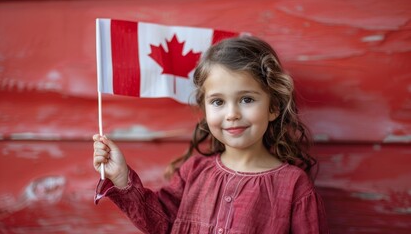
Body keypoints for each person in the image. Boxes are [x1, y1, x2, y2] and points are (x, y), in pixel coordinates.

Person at [93, 36, 329, 234]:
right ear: (205, 110)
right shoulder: (193, 172)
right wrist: (122, 177)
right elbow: (159, 223)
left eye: (247, 99)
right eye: (218, 101)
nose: (232, 114)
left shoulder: (293, 185)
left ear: (273, 107)